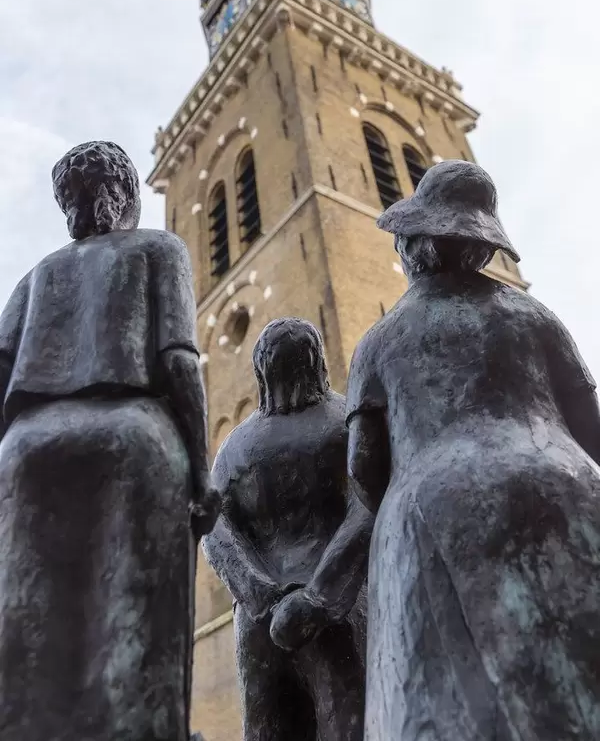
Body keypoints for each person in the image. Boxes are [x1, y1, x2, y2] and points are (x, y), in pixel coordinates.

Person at [347, 160, 600, 741]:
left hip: (434, 506)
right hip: (568, 483)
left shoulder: (381, 340)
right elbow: (589, 424)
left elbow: (364, 469)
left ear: (415, 242)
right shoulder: (537, 316)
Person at [0, 141, 219, 741]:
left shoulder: (35, 277)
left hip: (25, 450)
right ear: (125, 195)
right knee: (136, 638)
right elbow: (178, 362)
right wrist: (202, 474)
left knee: (23, 640)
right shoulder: (158, 248)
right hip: (131, 439)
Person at [203, 317, 372, 741]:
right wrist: (318, 598)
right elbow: (368, 504)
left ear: (261, 370)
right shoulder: (347, 419)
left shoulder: (235, 446)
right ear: (317, 362)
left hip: (261, 620)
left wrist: (259, 594)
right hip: (338, 610)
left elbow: (213, 525)